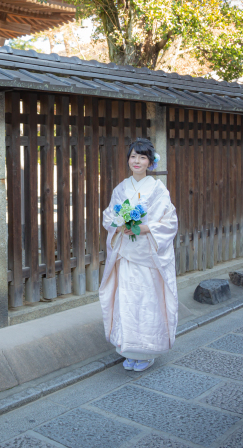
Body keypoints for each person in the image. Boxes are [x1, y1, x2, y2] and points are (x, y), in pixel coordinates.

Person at [100, 138, 179, 372]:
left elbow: (170, 220)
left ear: (150, 162)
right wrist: (118, 223)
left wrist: (145, 228)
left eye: (142, 157)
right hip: (125, 253)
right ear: (128, 159)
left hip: (147, 255)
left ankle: (147, 351)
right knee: (126, 299)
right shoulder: (121, 188)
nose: (137, 161)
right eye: (133, 156)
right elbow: (108, 215)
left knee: (147, 301)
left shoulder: (157, 188)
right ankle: (128, 349)